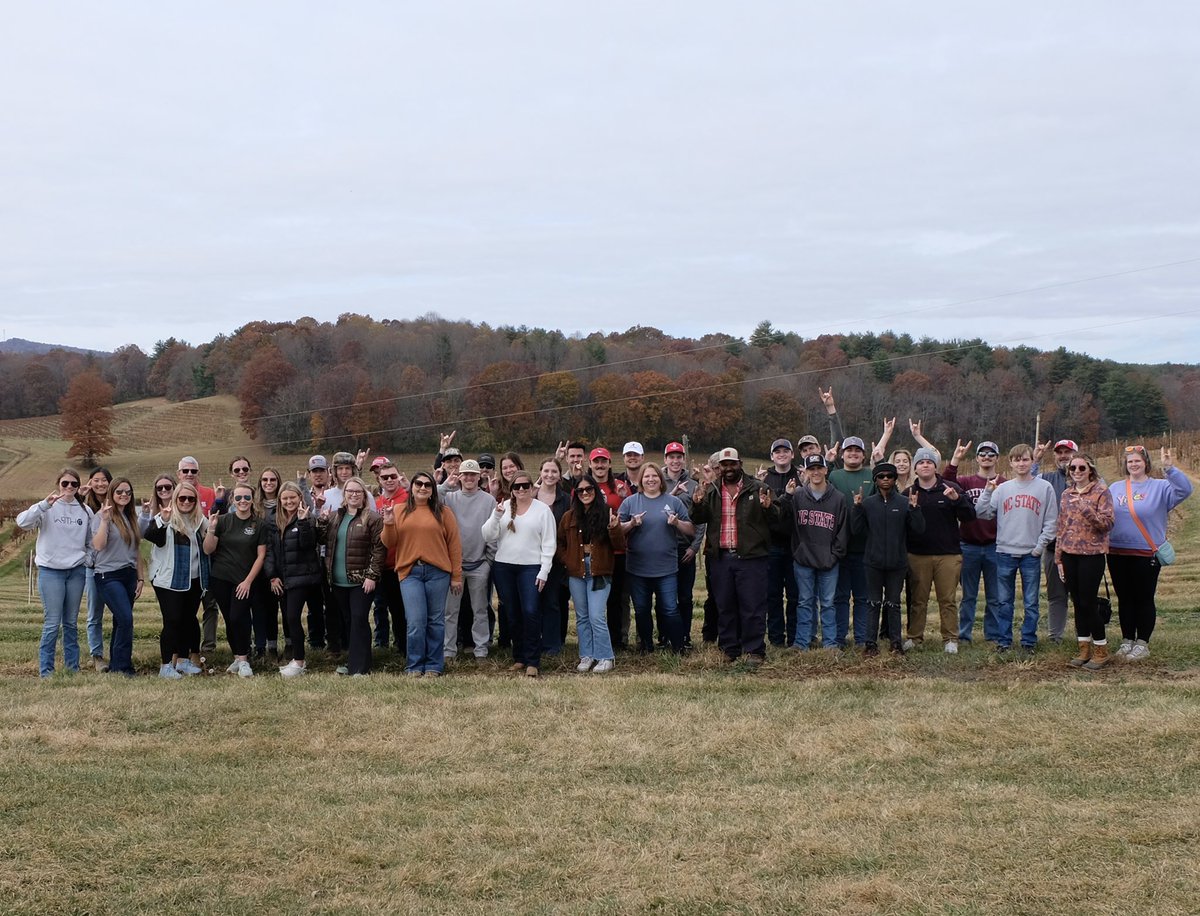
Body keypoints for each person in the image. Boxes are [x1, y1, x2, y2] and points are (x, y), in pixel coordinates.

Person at [690, 447, 779, 665]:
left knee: (753, 606)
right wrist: (697, 504)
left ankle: (754, 650)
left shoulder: (759, 488)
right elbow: (699, 519)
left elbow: (776, 519)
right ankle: (729, 648)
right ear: (719, 467)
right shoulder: (711, 491)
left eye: (732, 464)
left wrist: (768, 508)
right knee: (725, 605)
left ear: (740, 464)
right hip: (720, 558)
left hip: (751, 557)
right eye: (724, 465)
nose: (728, 469)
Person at [1107, 445, 1193, 661]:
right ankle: (1127, 640)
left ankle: (1142, 643)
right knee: (1125, 598)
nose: (1134, 465)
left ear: (1146, 462)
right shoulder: (1116, 488)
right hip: (1117, 552)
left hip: (1146, 553)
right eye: (1130, 462)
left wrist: (1170, 468)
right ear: (1125, 465)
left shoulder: (1161, 487)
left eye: (1137, 461)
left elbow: (1185, 490)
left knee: (1144, 598)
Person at [974, 444, 1059, 654]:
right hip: (1004, 552)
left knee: (1031, 602)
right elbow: (983, 513)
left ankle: (1028, 641)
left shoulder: (1044, 488)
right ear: (1010, 463)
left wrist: (1040, 546)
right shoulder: (1003, 489)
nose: (1021, 463)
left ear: (1032, 461)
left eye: (1025, 459)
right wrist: (987, 491)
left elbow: (1051, 521)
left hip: (1031, 553)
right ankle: (1004, 641)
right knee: (1004, 601)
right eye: (1017, 460)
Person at [381, 471, 462, 676]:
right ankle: (415, 665)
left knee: (436, 621)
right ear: (412, 487)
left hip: (438, 573)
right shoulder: (399, 511)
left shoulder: (444, 512)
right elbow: (389, 543)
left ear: (433, 489)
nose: (423, 487)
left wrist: (456, 576)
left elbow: (454, 545)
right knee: (416, 620)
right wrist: (389, 523)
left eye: (428, 484)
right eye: (419, 483)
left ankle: (434, 665)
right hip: (410, 573)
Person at [18, 468, 93, 677]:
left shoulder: (85, 510)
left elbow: (91, 540)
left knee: (70, 623)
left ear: (78, 487)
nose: (69, 487)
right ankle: (46, 671)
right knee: (52, 623)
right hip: (51, 572)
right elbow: (22, 522)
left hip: (76, 572)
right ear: (58, 484)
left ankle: (72, 669)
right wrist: (43, 505)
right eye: (65, 483)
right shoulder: (47, 507)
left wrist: (88, 559)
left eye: (74, 484)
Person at [483, 470, 557, 677]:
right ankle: (519, 657)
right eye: (517, 486)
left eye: (525, 485)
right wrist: (496, 516)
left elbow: (549, 543)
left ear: (532, 487)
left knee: (531, 611)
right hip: (504, 567)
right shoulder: (503, 507)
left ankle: (533, 660)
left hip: (531, 568)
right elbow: (488, 535)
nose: (522, 489)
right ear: (511, 489)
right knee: (512, 614)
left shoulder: (542, 510)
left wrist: (544, 571)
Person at [903, 447, 975, 653]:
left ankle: (950, 638)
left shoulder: (950, 488)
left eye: (929, 462)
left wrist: (957, 500)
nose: (925, 465)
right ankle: (915, 637)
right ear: (915, 469)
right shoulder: (908, 493)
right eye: (920, 462)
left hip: (948, 554)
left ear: (935, 467)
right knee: (917, 600)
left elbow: (970, 515)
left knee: (947, 599)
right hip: (917, 555)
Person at [849, 463, 925, 655]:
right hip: (873, 562)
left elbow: (919, 530)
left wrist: (915, 509)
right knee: (873, 603)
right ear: (875, 480)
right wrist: (857, 508)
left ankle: (896, 643)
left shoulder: (903, 503)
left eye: (889, 476)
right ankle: (870, 644)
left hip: (897, 563)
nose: (885, 479)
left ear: (894, 479)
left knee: (893, 604)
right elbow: (856, 530)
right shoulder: (867, 504)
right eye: (881, 476)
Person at [619, 462, 695, 653]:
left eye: (654, 476)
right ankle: (646, 646)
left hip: (666, 568)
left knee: (669, 608)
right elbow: (617, 530)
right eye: (646, 476)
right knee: (642, 610)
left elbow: (691, 530)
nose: (651, 479)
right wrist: (631, 524)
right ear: (640, 480)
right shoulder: (630, 502)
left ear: (660, 480)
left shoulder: (673, 501)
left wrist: (677, 523)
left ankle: (677, 646)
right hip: (638, 568)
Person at [557, 474, 625, 673]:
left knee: (596, 615)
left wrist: (614, 528)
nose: (585, 493)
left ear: (595, 491)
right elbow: (560, 543)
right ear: (575, 494)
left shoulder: (607, 513)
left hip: (600, 570)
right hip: (576, 571)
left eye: (589, 489)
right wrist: (567, 559)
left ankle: (605, 657)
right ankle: (586, 655)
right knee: (582, 616)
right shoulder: (568, 517)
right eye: (580, 490)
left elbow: (620, 545)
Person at [144, 480, 211, 679]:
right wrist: (163, 520)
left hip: (194, 578)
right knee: (172, 620)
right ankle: (166, 666)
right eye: (182, 498)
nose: (186, 502)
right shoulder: (165, 516)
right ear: (175, 499)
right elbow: (151, 536)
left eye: (191, 498)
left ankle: (183, 661)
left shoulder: (200, 520)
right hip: (168, 579)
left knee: (188, 619)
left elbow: (209, 543)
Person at [782, 455, 849, 650]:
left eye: (819, 468)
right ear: (805, 471)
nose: (816, 472)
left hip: (829, 560)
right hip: (803, 559)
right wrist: (797, 551)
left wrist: (835, 554)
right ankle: (802, 642)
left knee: (828, 603)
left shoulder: (838, 498)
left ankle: (830, 644)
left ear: (826, 470)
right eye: (811, 468)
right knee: (804, 602)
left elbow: (843, 531)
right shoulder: (798, 496)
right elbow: (787, 524)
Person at [943, 440, 1006, 646]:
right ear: (977, 458)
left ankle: (993, 635)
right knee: (968, 596)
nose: (986, 457)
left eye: (991, 454)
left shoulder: (1004, 483)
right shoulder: (967, 481)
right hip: (968, 544)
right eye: (982, 454)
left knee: (994, 596)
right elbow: (946, 482)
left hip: (994, 545)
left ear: (997, 458)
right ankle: (964, 635)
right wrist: (954, 461)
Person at [1055, 454, 1115, 669]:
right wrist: (1059, 558)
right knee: (1077, 602)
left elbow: (1107, 524)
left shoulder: (1100, 492)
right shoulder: (1066, 494)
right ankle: (1083, 648)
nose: (1077, 472)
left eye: (1082, 468)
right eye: (1073, 468)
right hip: (1069, 554)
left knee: (1089, 603)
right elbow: (1061, 527)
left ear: (1090, 470)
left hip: (1092, 554)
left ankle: (1101, 648)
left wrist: (1088, 511)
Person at [202, 482, 268, 678]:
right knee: (230, 619)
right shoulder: (222, 520)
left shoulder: (259, 524)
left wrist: (248, 581)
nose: (242, 501)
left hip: (245, 580)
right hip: (221, 578)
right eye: (238, 498)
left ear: (252, 500)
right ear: (232, 500)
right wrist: (212, 528)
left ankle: (244, 659)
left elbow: (261, 556)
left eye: (247, 497)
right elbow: (208, 549)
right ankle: (238, 657)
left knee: (239, 617)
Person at [324, 476, 386, 677]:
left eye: (357, 492)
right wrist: (320, 522)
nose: (353, 494)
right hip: (339, 581)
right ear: (344, 494)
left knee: (359, 618)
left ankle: (361, 668)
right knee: (349, 621)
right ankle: (354, 662)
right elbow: (323, 541)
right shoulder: (334, 517)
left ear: (364, 495)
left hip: (361, 581)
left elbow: (379, 550)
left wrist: (372, 576)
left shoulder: (373, 518)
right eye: (349, 491)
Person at [265, 481, 324, 678]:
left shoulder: (307, 518)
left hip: (304, 578)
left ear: (300, 498)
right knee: (290, 620)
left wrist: (303, 522)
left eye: (293, 497)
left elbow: (309, 546)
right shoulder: (273, 521)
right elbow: (270, 551)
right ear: (280, 501)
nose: (289, 501)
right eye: (285, 498)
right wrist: (272, 576)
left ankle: (299, 661)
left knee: (293, 617)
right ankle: (297, 658)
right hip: (284, 578)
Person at [441, 459, 497, 661]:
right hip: (454, 566)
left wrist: (488, 561)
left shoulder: (488, 500)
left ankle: (481, 649)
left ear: (479, 477)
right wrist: (447, 483)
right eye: (465, 474)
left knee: (480, 609)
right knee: (450, 611)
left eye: (473, 474)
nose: (469, 478)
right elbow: (434, 498)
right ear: (459, 476)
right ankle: (448, 650)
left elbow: (493, 531)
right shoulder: (450, 498)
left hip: (479, 564)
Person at [89, 478, 144, 676]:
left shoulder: (131, 517)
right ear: (112, 493)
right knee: (126, 618)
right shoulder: (102, 515)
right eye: (119, 491)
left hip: (129, 574)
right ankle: (123, 667)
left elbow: (136, 551)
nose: (124, 495)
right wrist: (104, 521)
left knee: (120, 621)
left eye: (128, 492)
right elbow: (98, 545)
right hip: (108, 575)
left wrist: (140, 579)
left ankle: (116, 665)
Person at [829, 436, 875, 648]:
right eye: (849, 450)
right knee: (840, 596)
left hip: (865, 547)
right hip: (839, 547)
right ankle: (838, 637)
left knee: (863, 597)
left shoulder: (871, 475)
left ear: (864, 455)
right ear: (842, 454)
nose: (853, 453)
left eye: (858, 450)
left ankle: (862, 638)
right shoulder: (834, 476)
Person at [1034, 438, 1080, 642]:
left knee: (1082, 596)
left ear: (1076, 454)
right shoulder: (1045, 479)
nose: (1063, 456)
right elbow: (1026, 482)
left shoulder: (1089, 478)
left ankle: (1084, 635)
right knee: (1056, 595)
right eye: (1059, 453)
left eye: (1067, 452)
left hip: (1082, 550)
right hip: (1053, 548)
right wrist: (1035, 460)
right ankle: (1055, 637)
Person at [759, 438, 802, 647]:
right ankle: (776, 638)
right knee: (772, 595)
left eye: (786, 450)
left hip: (796, 545)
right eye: (778, 451)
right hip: (772, 545)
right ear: (772, 456)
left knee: (795, 595)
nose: (782, 454)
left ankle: (794, 637)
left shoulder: (802, 476)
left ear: (792, 454)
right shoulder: (764, 479)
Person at [661, 442, 704, 649]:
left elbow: (701, 520)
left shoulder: (694, 485)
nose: (675, 461)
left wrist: (694, 548)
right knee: (663, 597)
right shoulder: (657, 481)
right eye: (672, 457)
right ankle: (664, 636)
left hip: (684, 548)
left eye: (679, 457)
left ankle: (685, 636)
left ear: (683, 459)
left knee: (685, 597)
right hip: (662, 549)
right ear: (665, 459)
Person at [177, 456, 221, 654]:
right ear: (178, 474)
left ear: (198, 474)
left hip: (208, 558)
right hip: (183, 561)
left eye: (193, 471)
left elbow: (216, 521)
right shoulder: (174, 494)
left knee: (210, 604)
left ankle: (209, 646)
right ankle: (184, 646)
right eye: (185, 471)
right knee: (185, 609)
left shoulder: (209, 494)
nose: (189, 474)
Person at [534, 458, 572, 656]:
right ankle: (533, 641)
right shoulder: (530, 496)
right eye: (546, 471)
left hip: (556, 559)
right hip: (531, 558)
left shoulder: (566, 499)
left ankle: (552, 644)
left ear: (559, 475)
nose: (550, 475)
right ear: (540, 472)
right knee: (533, 602)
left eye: (554, 471)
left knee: (552, 602)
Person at [372, 461, 409, 651]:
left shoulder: (408, 499)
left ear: (399, 477)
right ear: (379, 479)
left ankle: (402, 647)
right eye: (385, 477)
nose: (389, 480)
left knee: (399, 609)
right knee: (379, 607)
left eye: (393, 476)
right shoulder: (376, 502)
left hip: (400, 564)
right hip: (380, 565)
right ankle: (381, 644)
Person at [80, 467, 112, 671]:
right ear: (90, 482)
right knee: (94, 613)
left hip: (115, 564)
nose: (100, 484)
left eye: (104, 480)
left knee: (121, 613)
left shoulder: (117, 501)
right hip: (93, 565)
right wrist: (78, 497)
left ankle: (119, 652)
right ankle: (97, 655)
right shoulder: (83, 506)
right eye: (96, 480)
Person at [254, 467, 284, 658]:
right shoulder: (255, 507)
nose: (268, 483)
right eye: (265, 480)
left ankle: (286, 645)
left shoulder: (284, 502)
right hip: (260, 563)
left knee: (285, 608)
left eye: (272, 479)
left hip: (283, 561)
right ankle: (265, 646)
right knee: (264, 608)